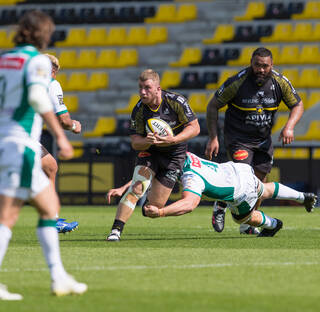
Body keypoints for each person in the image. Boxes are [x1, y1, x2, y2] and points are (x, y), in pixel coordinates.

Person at [0, 10, 87, 300]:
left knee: (50, 209)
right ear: (43, 35)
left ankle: (59, 277)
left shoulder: (4, 60)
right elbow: (38, 97)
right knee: (8, 217)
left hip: (5, 142)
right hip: (19, 143)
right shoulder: (36, 62)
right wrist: (61, 136)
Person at [205, 47, 304, 235]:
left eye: (265, 66)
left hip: (263, 140)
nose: (261, 69)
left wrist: (289, 126)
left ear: (271, 65)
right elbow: (213, 105)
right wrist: (213, 137)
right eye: (257, 65)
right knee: (242, 176)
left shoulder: (279, 82)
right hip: (238, 138)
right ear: (251, 63)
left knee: (259, 185)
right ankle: (220, 204)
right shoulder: (237, 82)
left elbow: (298, 104)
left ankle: (247, 224)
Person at [106, 69, 200, 241]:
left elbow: (195, 128)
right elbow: (135, 142)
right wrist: (147, 141)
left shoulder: (176, 101)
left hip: (174, 156)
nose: (142, 92)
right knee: (136, 189)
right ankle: (115, 231)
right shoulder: (139, 110)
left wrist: (173, 139)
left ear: (158, 88)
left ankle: (148, 185)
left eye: (147, 88)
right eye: (140, 87)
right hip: (150, 152)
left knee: (154, 208)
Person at [143, 152, 317, 237]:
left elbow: (189, 204)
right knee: (265, 190)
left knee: (242, 219)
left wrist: (161, 212)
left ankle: (273, 224)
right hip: (237, 169)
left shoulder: (190, 178)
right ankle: (303, 197)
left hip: (239, 188)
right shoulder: (184, 155)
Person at [41, 54, 81, 233]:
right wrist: (74, 126)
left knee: (49, 167)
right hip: (19, 135)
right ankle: (52, 219)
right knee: (49, 168)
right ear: (54, 72)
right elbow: (64, 120)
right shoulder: (51, 83)